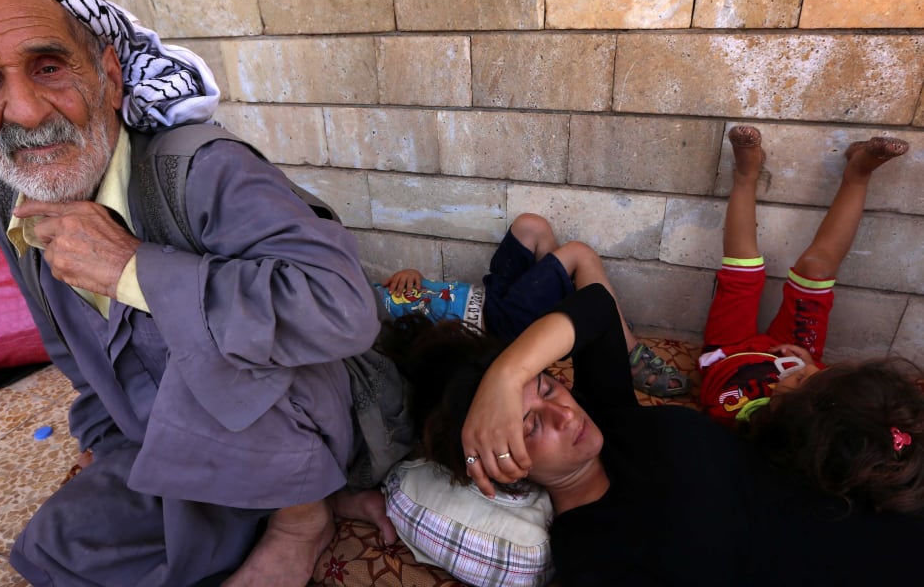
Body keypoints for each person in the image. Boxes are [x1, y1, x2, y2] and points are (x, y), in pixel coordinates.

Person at [0, 0, 381, 587]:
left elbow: (342, 310)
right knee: (54, 551)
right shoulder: (9, 198)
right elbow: (71, 353)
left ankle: (301, 519)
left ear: (110, 75)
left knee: (207, 366)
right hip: (160, 429)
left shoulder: (203, 170)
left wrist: (134, 267)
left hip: (286, 422)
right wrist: (106, 436)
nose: (27, 111)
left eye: (49, 67)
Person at [384, 281, 924, 586]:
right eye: (530, 426)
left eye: (548, 388)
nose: (564, 414)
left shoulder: (611, 419)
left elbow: (596, 304)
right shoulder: (590, 552)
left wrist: (508, 375)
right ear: (499, 466)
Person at [697, 126, 909, 426]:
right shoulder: (815, 384)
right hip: (792, 350)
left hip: (727, 352)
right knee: (816, 270)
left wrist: (805, 378)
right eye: (818, 377)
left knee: (742, 269)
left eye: (803, 380)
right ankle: (858, 173)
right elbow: (820, 379)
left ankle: (746, 174)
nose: (807, 373)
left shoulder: (743, 426)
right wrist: (809, 367)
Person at [376, 212, 688, 397]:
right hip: (495, 326)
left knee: (531, 226)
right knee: (579, 254)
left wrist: (412, 274)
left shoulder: (367, 292)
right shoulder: (367, 330)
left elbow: (418, 298)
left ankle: (589, 321)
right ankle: (627, 355)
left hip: (490, 297)